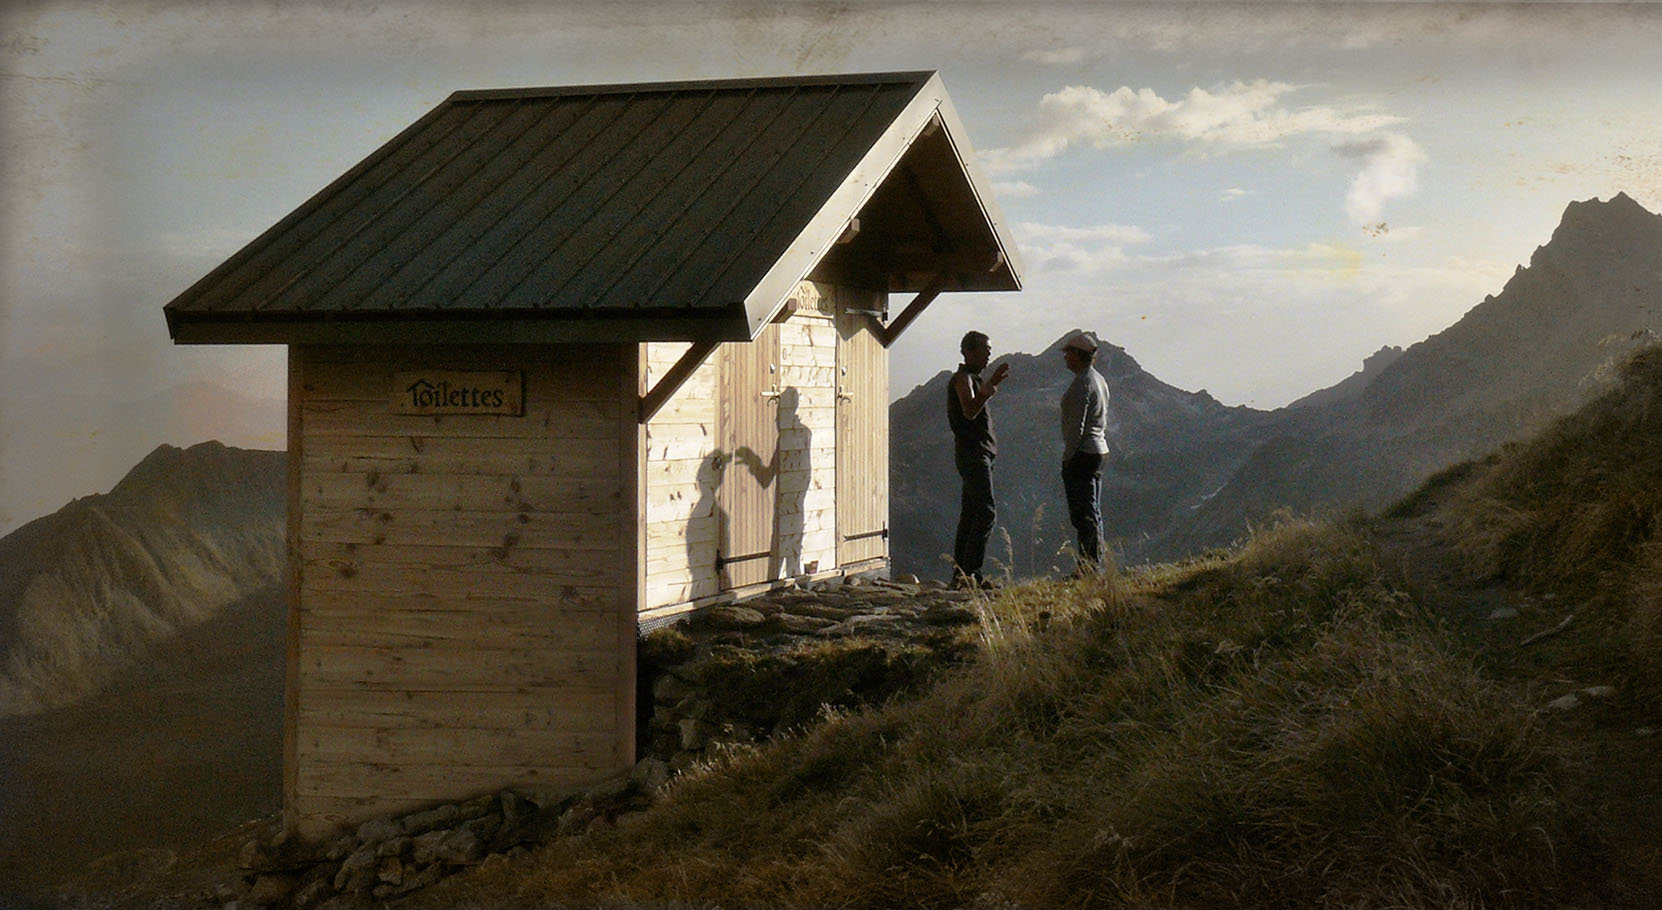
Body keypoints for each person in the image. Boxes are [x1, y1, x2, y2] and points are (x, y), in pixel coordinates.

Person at [947, 330, 1009, 588]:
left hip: (976, 453)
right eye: (985, 349)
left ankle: (962, 575)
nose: (989, 354)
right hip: (974, 454)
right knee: (985, 512)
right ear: (969, 351)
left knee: (971, 513)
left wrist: (988, 384)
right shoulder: (963, 379)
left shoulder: (971, 378)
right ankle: (971, 573)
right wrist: (987, 390)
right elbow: (969, 410)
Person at [1059, 331, 1110, 575]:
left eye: (1068, 352)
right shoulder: (1098, 380)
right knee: (1093, 509)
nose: (1066, 357)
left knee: (1083, 514)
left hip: (1082, 453)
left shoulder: (1082, 383)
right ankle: (1092, 564)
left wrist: (1068, 457)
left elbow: (1075, 426)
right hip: (1098, 450)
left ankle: (1089, 567)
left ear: (1078, 355)